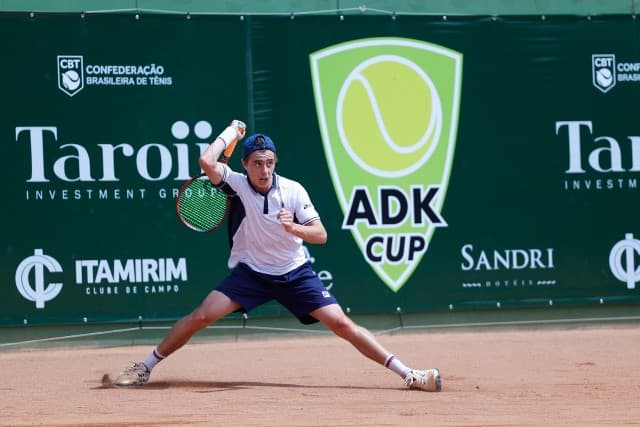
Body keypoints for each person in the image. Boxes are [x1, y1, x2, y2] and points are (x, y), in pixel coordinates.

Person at [115, 120, 441, 392]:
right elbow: (206, 162)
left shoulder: (294, 190)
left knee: (342, 323)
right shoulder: (236, 185)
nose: (264, 169)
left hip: (295, 273)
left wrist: (295, 229)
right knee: (201, 316)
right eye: (257, 162)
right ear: (244, 164)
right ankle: (144, 367)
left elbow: (322, 235)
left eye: (269, 162)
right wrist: (230, 133)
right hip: (252, 274)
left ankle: (409, 374)